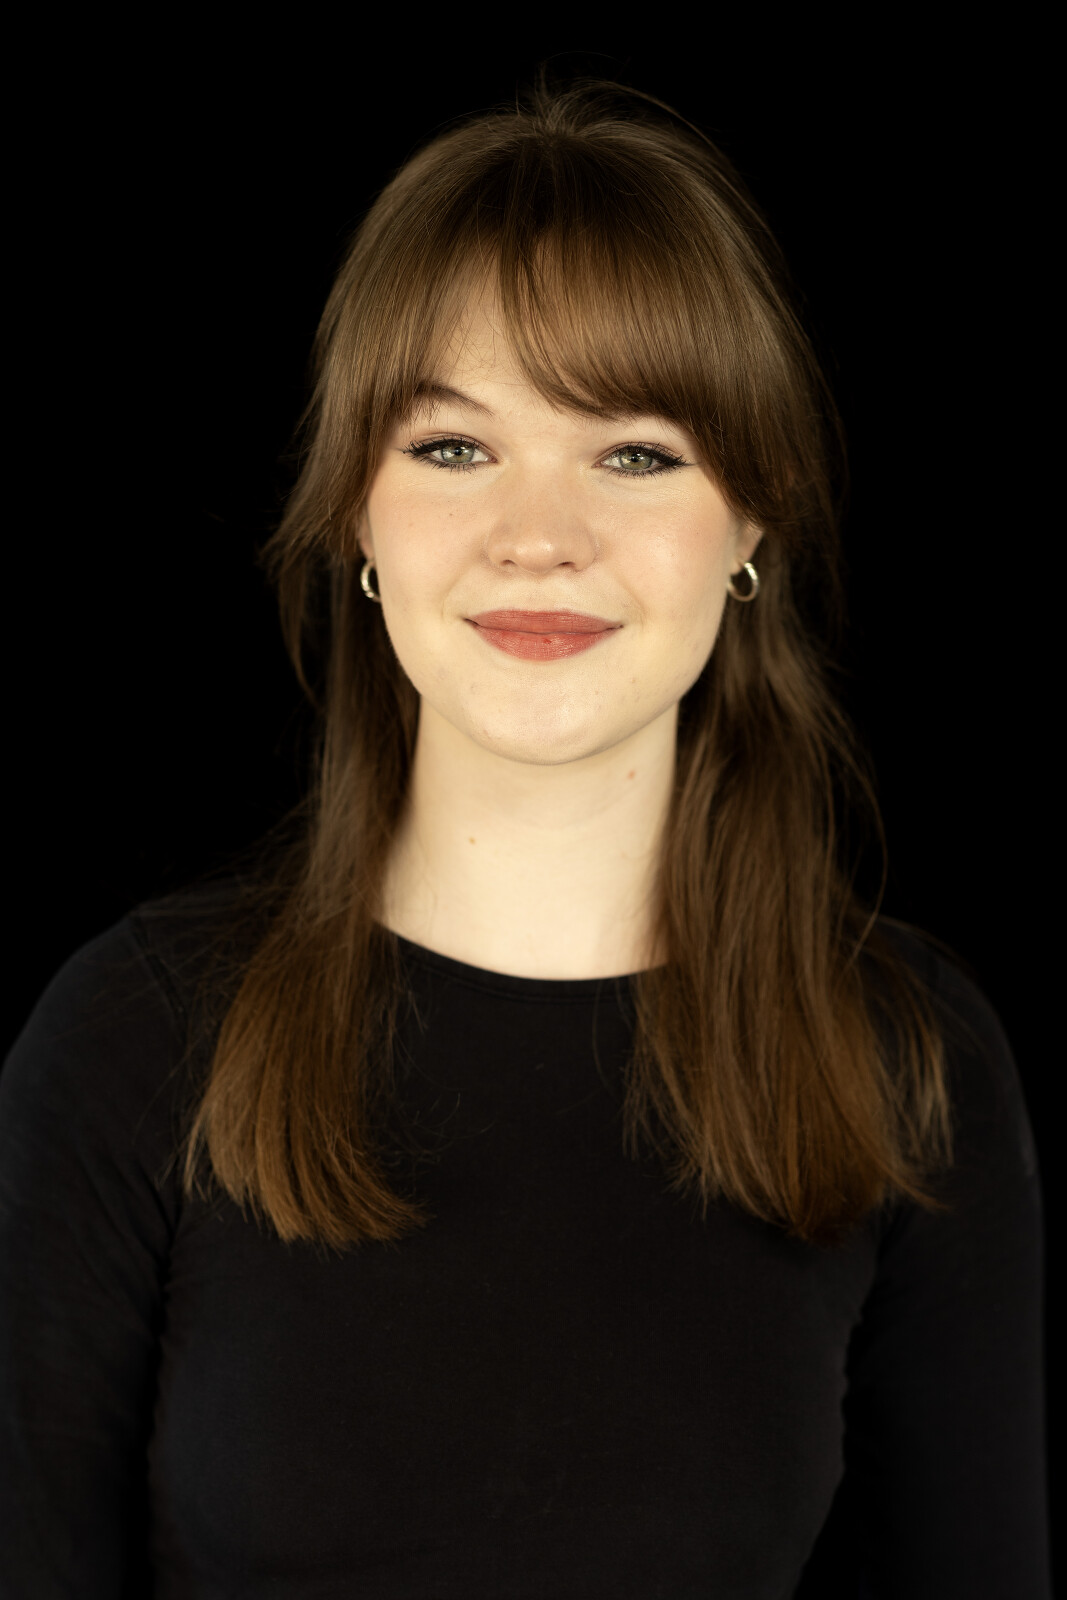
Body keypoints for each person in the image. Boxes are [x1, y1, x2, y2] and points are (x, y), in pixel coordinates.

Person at [0, 75, 1050, 1598]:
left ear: (750, 523)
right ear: (357, 515)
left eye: (636, 453)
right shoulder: (131, 1039)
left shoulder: (904, 1060)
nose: (539, 536)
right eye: (452, 447)